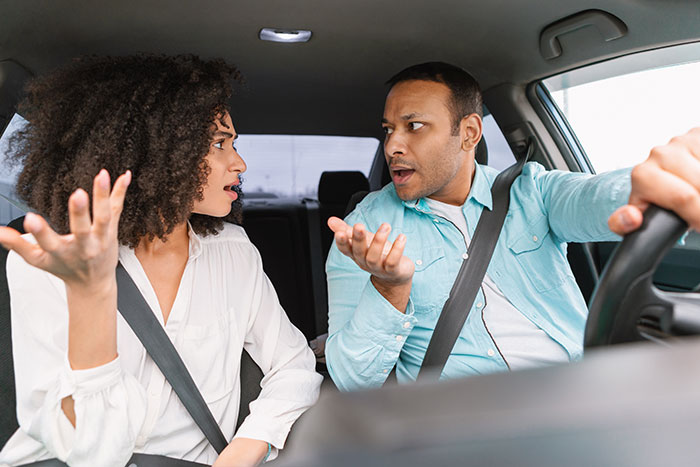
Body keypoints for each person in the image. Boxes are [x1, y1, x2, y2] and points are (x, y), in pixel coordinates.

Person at [0, 55, 322, 467]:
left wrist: (247, 447)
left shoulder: (234, 250)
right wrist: (93, 297)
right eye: (219, 143)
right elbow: (88, 451)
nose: (239, 162)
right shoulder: (48, 261)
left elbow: (294, 365)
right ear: (160, 151)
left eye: (233, 144)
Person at [324, 61, 700, 391]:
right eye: (389, 129)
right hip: (467, 425)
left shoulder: (531, 191)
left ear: (469, 133)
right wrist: (389, 288)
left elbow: (595, 196)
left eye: (415, 126)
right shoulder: (363, 233)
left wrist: (656, 185)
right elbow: (352, 380)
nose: (392, 146)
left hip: (585, 395)